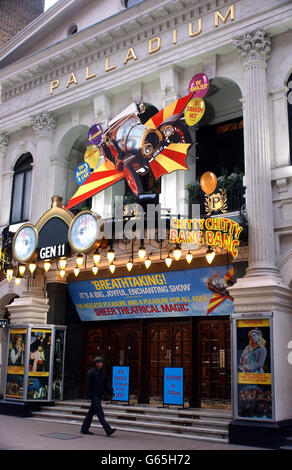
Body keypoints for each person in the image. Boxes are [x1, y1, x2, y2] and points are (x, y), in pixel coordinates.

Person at [80, 356, 116, 437]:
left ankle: (84, 429)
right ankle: (108, 429)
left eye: (102, 362)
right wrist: (88, 397)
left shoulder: (103, 373)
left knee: (90, 413)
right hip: (94, 396)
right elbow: (87, 386)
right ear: (96, 364)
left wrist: (111, 392)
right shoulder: (91, 373)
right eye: (100, 362)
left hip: (99, 395)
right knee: (100, 413)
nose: (101, 364)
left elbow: (107, 383)